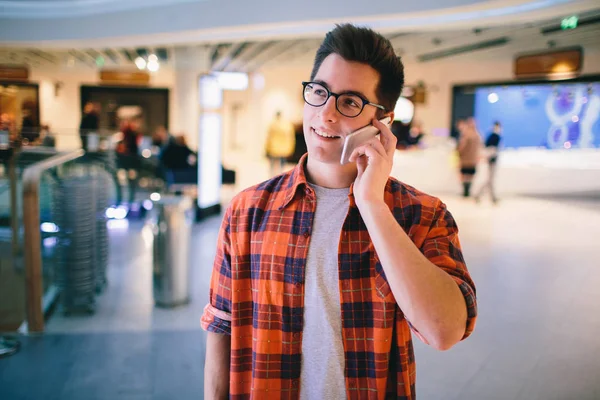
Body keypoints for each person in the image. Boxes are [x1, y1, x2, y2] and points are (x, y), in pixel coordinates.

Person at [202, 24, 477, 400]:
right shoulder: (248, 210)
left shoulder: (421, 214)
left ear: (383, 122)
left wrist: (371, 204)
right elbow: (222, 326)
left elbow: (444, 331)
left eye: (350, 102)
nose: (325, 114)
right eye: (319, 92)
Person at [475, 121, 502, 203]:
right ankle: (480, 195)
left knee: (490, 180)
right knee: (490, 180)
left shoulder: (492, 135)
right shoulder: (495, 136)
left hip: (491, 160)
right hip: (492, 160)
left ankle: (491, 197)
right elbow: (491, 149)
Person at [456, 117, 482, 197]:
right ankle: (468, 191)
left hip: (465, 159)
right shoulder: (478, 135)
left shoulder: (466, 134)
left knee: (464, 175)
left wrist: (458, 152)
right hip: (473, 160)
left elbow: (462, 146)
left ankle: (465, 192)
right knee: (470, 176)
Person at [265, 111, 296, 175]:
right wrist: (290, 147)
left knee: (273, 163)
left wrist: (267, 147)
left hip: (274, 147)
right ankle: (280, 175)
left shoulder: (273, 125)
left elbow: (269, 137)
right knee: (282, 163)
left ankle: (272, 175)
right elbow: (291, 137)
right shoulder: (287, 125)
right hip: (283, 148)